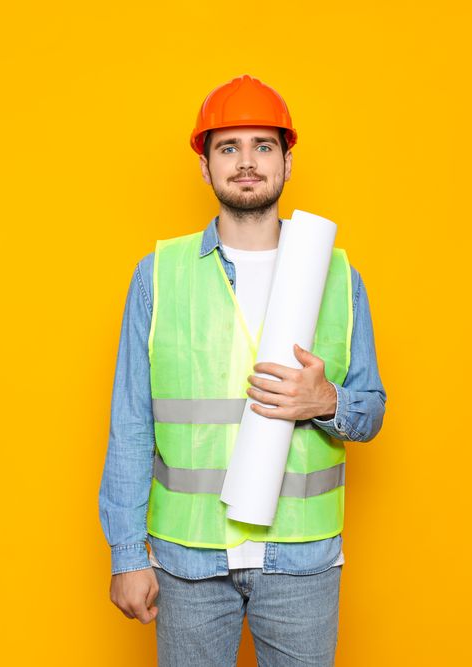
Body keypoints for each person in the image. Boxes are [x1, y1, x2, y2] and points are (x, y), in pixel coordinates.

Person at [98, 74, 387, 666]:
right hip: (189, 561)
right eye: (228, 148)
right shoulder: (159, 275)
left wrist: (328, 401)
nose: (247, 162)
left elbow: (372, 408)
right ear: (205, 167)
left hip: (301, 561)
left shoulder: (337, 277)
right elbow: (131, 423)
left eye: (263, 146)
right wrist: (127, 554)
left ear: (287, 160)